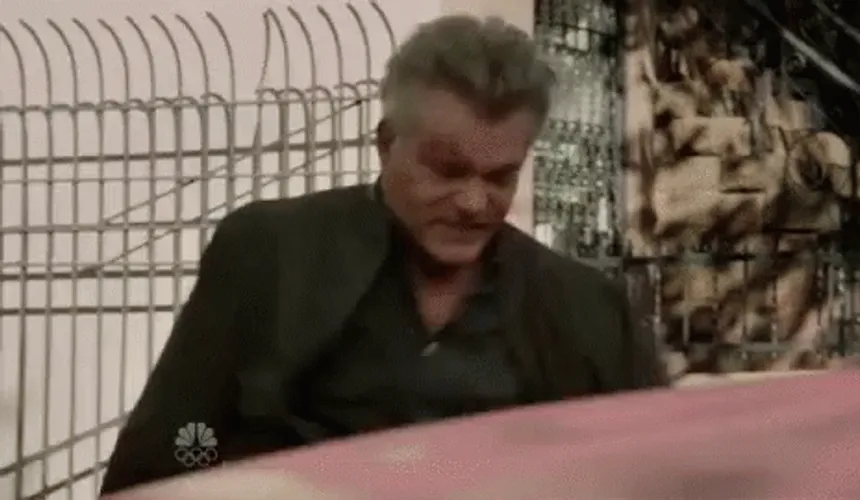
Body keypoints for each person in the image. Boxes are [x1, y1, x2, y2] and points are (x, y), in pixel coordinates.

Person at [100, 14, 668, 495]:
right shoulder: (270, 255)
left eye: (500, 177)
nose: (474, 203)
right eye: (447, 170)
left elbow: (653, 473)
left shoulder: (588, 310)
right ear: (386, 143)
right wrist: (217, 477)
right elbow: (179, 441)